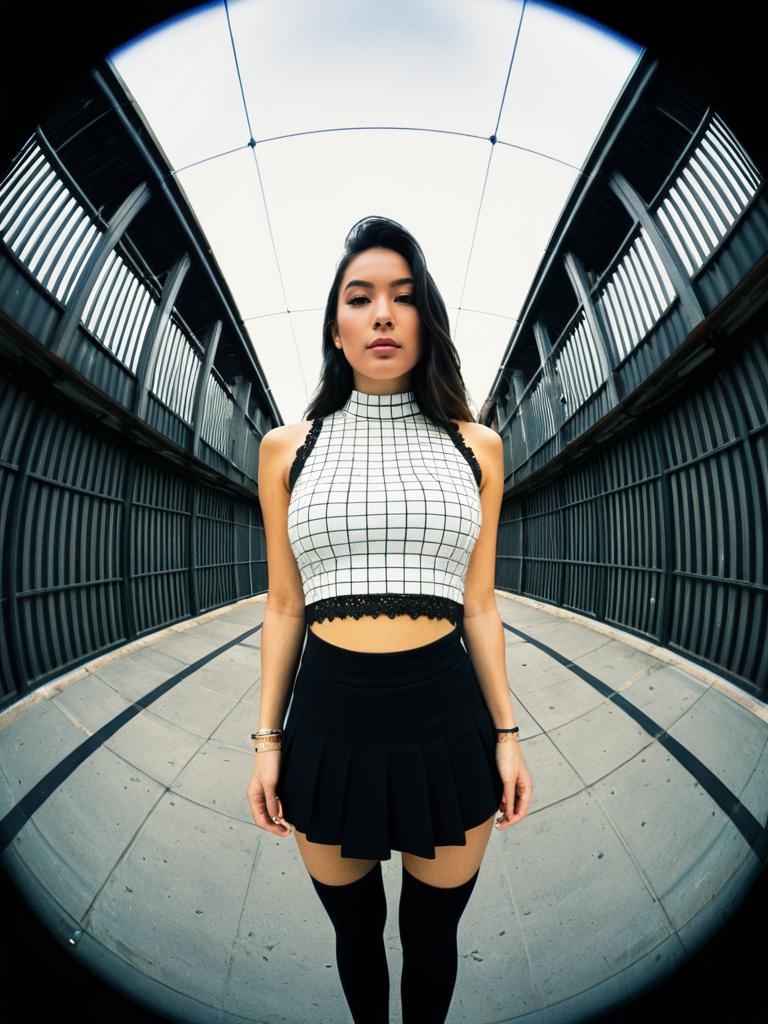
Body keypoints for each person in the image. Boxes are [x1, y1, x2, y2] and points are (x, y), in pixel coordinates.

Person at [246, 215, 533, 1023]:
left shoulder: (478, 446)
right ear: (335, 327)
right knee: (355, 930)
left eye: (403, 297)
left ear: (425, 320)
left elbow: (480, 604)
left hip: (447, 717)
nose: (382, 314)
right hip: (327, 721)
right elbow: (284, 604)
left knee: (432, 934)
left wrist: (508, 735)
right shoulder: (286, 449)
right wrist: (267, 742)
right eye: (360, 297)